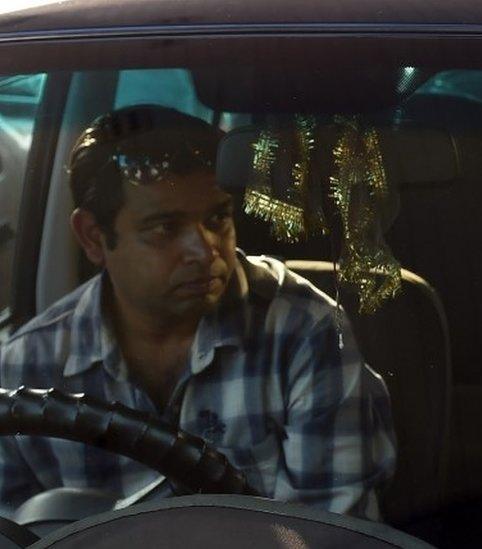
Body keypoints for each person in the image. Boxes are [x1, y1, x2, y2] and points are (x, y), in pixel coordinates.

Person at [0, 106, 395, 520]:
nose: (205, 251)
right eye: (165, 228)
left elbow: (329, 535)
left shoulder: (305, 334)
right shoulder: (27, 364)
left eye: (217, 218)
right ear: (94, 238)